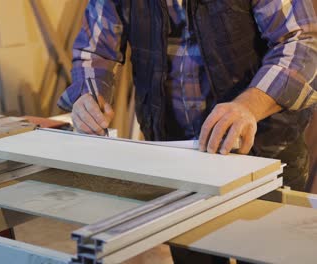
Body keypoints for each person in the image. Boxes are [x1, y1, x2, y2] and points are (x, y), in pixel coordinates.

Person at [58, 0, 317, 263]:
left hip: (264, 149)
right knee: (193, 256)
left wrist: (249, 105)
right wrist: (87, 94)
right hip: (178, 156)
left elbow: (302, 41)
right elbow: (95, 51)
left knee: (273, 252)